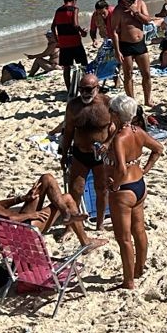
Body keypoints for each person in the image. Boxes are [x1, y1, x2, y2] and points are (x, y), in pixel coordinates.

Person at [103, 94, 166, 289]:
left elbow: (121, 169)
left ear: (116, 114)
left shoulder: (119, 139)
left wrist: (114, 186)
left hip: (123, 191)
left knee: (123, 239)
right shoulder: (137, 130)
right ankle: (139, 268)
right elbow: (158, 148)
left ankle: (128, 281)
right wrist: (145, 169)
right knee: (139, 230)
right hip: (139, 184)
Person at [0, 166, 98, 248]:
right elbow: (7, 218)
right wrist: (31, 215)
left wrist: (22, 198)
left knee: (46, 179)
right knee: (67, 198)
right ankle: (85, 242)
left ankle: (66, 214)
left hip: (16, 222)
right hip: (17, 230)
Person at [60, 74, 112, 229]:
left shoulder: (107, 103)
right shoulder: (74, 106)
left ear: (98, 88)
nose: (84, 93)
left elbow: (118, 127)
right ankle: (71, 227)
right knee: (75, 190)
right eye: (81, 89)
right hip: (80, 153)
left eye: (88, 89)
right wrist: (63, 154)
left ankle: (100, 224)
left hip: (101, 156)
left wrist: (108, 143)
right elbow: (68, 131)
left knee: (101, 189)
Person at [109, 0, 156, 106]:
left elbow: (147, 20)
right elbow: (114, 32)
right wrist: (117, 51)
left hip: (140, 43)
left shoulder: (140, 4)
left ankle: (147, 99)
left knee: (146, 73)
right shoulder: (118, 11)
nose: (132, 1)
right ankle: (132, 100)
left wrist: (136, 12)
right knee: (128, 74)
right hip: (125, 45)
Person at [52, 0, 88, 95]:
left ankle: (69, 90)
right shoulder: (74, 9)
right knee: (83, 64)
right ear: (73, 1)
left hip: (63, 43)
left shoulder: (58, 11)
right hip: (75, 41)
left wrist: (57, 39)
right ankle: (85, 87)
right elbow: (75, 24)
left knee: (67, 67)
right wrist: (83, 32)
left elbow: (52, 26)